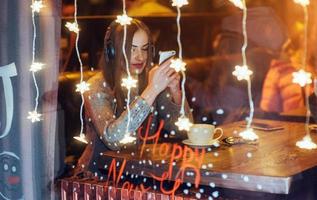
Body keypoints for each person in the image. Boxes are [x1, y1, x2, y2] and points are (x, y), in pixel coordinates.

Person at [76, 19, 192, 174]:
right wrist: (152, 90)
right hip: (101, 177)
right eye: (132, 50)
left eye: (144, 49)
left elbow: (182, 131)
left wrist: (176, 92)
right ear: (113, 51)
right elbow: (114, 139)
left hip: (143, 171)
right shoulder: (95, 87)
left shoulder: (151, 79)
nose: (140, 57)